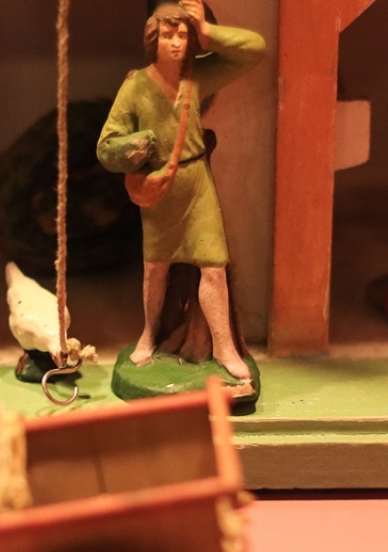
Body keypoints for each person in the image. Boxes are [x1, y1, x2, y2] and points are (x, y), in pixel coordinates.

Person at [97, 0, 265, 382]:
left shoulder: (197, 77)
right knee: (155, 269)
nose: (176, 42)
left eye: (183, 35)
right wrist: (138, 146)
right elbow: (106, 147)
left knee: (214, 268)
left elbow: (254, 49)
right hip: (160, 190)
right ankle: (149, 334)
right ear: (153, 39)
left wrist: (208, 32)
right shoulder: (135, 87)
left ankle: (223, 347)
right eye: (168, 35)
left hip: (197, 184)